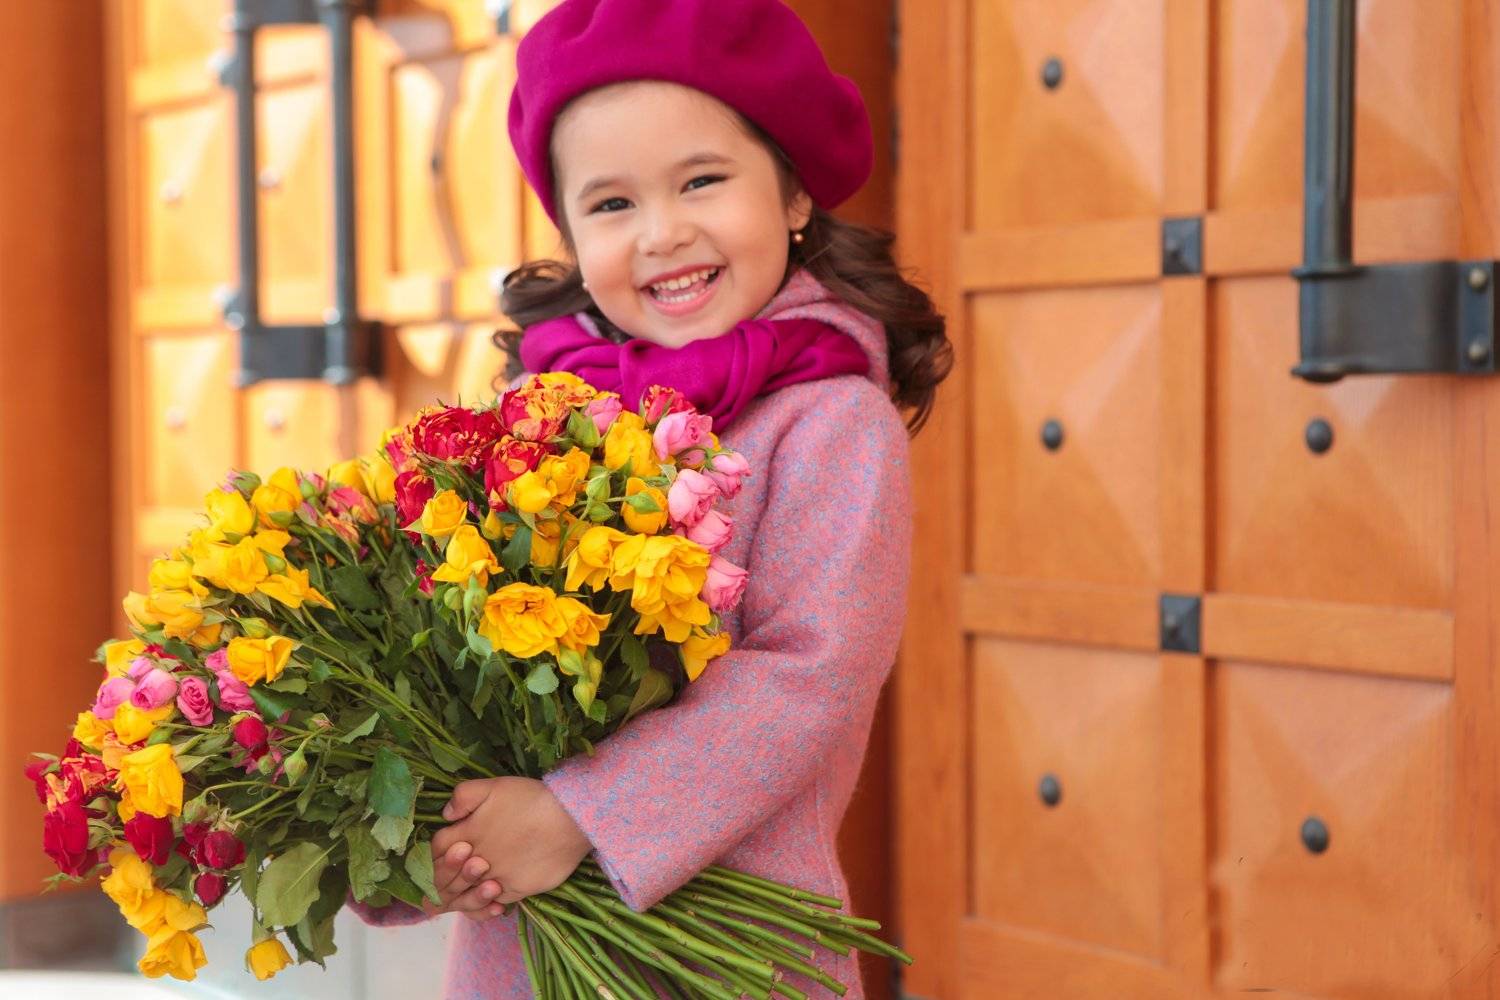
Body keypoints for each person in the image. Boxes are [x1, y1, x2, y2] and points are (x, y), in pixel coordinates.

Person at [353, 0, 951, 996]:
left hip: (732, 960)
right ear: (569, 230)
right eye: (612, 204)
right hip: (520, 957)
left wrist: (577, 817)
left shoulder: (831, 422)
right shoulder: (535, 417)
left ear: (794, 193)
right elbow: (449, 665)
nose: (664, 234)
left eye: (702, 181)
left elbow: (808, 676)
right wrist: (438, 843)